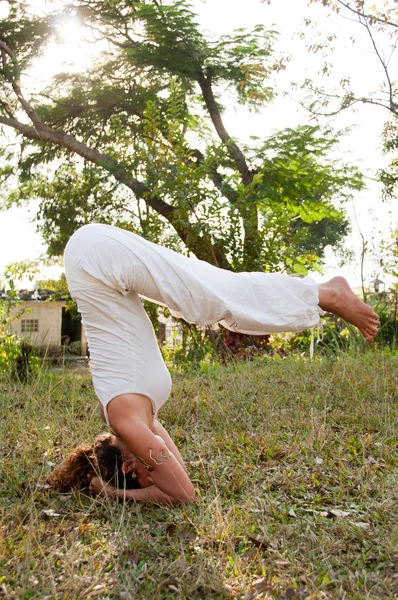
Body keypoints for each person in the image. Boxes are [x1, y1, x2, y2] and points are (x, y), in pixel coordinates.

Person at [49, 223, 379, 505]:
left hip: (92, 259)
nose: (156, 470)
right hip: (97, 264)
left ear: (129, 468)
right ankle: (323, 294)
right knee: (207, 302)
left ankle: (327, 294)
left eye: (145, 475)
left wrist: (116, 493)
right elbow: (178, 482)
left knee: (208, 299)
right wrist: (126, 486)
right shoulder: (139, 422)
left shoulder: (129, 424)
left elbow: (180, 494)